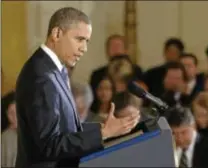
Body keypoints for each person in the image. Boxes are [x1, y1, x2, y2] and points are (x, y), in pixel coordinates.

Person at [15, 7, 140, 168]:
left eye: (86, 41)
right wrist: (103, 133)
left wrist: (103, 127)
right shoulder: (41, 76)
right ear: (57, 34)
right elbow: (48, 144)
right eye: (79, 39)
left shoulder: (54, 70)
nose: (84, 48)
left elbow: (65, 128)